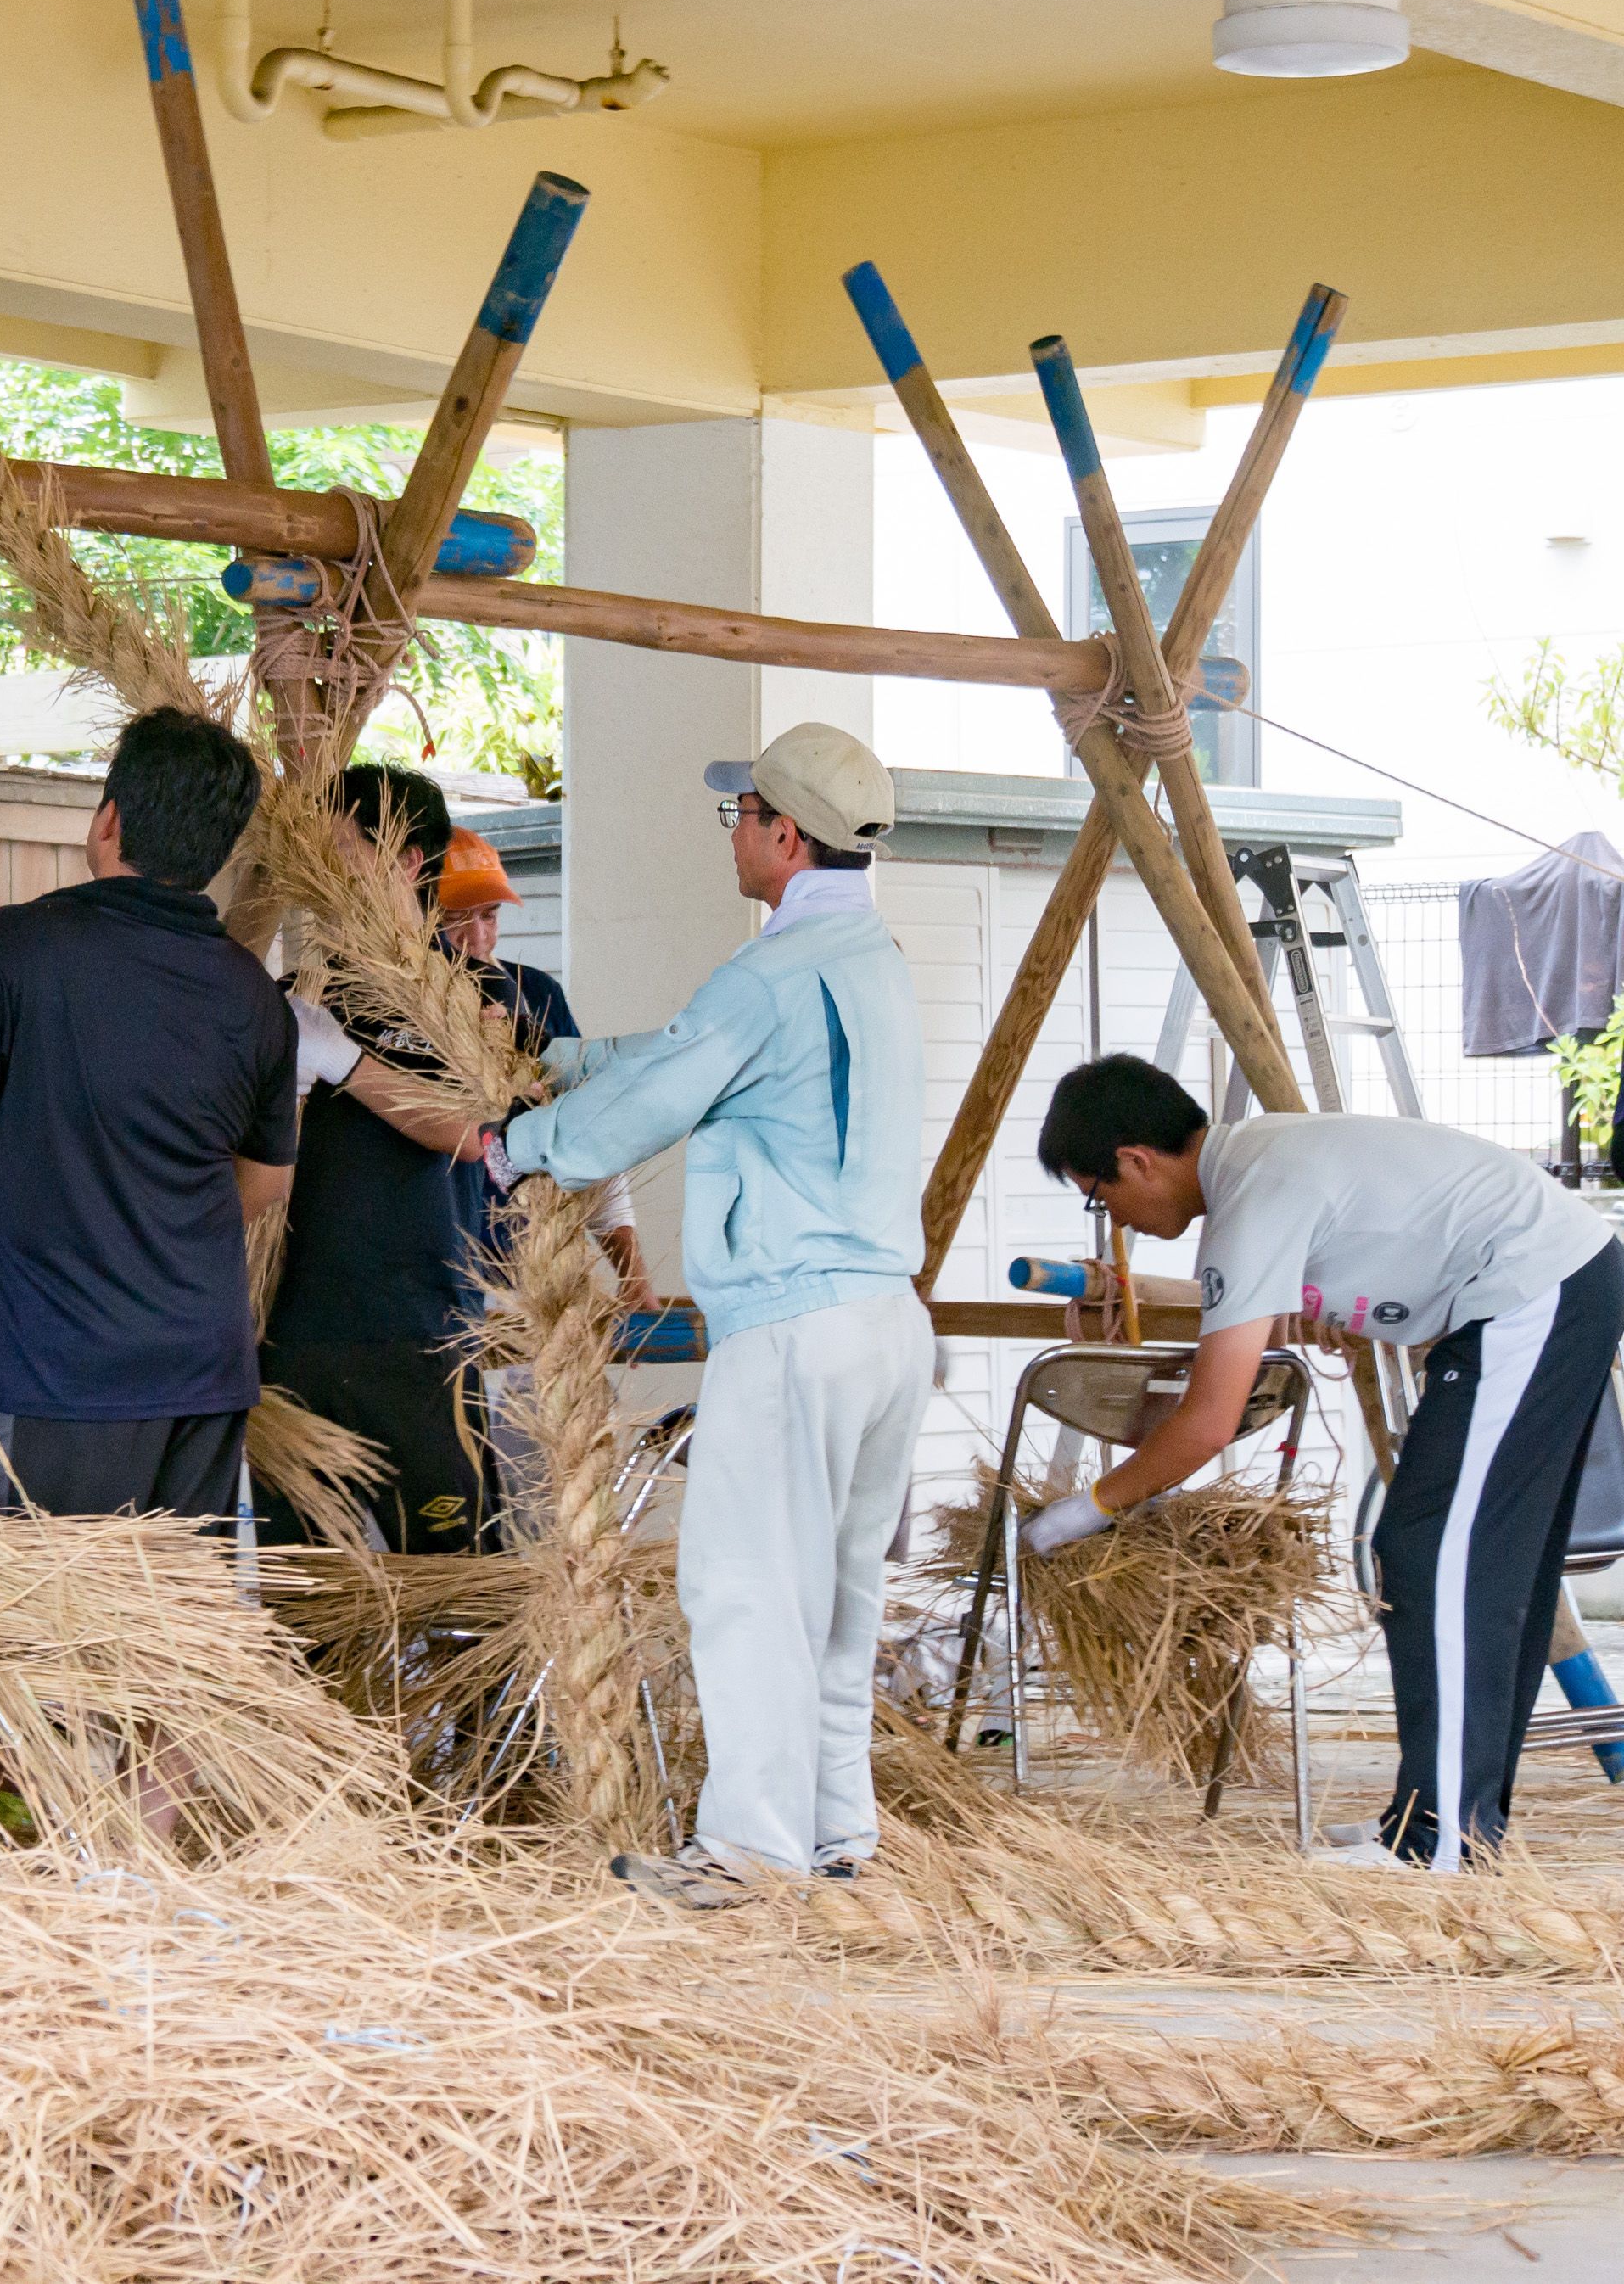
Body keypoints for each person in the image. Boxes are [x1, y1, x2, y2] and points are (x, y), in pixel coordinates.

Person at [486, 720, 930, 1905]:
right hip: (886, 1322)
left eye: (742, 814)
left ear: (786, 837)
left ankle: (750, 1850)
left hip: (794, 1325)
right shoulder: (870, 958)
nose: (732, 834)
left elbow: (664, 1096)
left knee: (745, 1584)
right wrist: (573, 1057)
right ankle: (836, 1835)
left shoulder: (769, 977)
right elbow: (695, 1054)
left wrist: (520, 1142)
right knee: (839, 1595)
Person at [1032, 1054, 1624, 1872]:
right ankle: (1445, 1817)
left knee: (1434, 1554)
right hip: (1554, 1282)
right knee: (1478, 1559)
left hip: (1532, 1289)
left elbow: (1209, 1419)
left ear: (1135, 1160)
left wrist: (1089, 1507)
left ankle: (1440, 1839)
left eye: (1100, 1197)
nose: (1115, 1223)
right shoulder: (1257, 1162)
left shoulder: (1252, 1196)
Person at [0, 707, 294, 1520]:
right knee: (171, 1598)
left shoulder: (12, 946)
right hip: (201, 1371)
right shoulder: (253, 993)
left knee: (21, 1597)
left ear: (109, 818)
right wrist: (159, 1224)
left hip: (52, 1369)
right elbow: (265, 1182)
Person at [261, 765, 522, 1553]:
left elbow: (480, 1132)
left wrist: (344, 1063)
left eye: (339, 846)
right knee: (304, 1594)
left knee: (456, 1586)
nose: (322, 864)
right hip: (294, 1336)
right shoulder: (297, 991)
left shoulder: (469, 997)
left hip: (422, 1334)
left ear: (406, 858)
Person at [436, 826, 652, 1308]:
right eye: (455, 920)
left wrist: (633, 1280)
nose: (477, 938)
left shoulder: (538, 994)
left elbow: (589, 1128)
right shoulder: (402, 1012)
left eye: (490, 915)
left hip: (539, 1271)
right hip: (443, 1280)